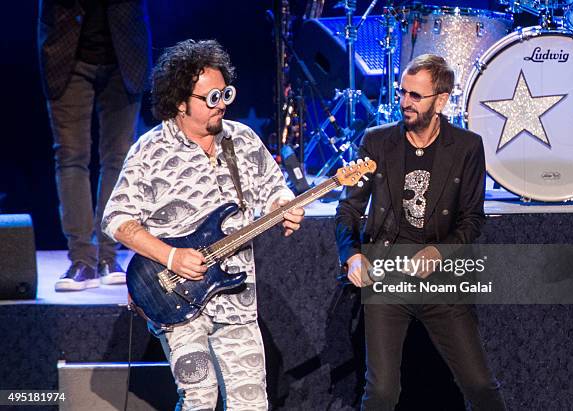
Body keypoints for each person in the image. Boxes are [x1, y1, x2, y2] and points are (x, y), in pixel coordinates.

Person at [102, 39, 304, 410]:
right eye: (211, 98)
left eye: (225, 93)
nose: (222, 104)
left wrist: (285, 207)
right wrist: (173, 257)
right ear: (181, 102)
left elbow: (275, 191)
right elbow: (116, 220)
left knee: (251, 403)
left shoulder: (242, 140)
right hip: (175, 297)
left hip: (236, 299)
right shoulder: (150, 151)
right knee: (200, 396)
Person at [335, 54, 506, 410]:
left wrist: (440, 252)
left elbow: (473, 218)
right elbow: (348, 209)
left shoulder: (467, 147)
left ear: (441, 100)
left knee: (480, 387)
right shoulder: (377, 142)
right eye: (402, 93)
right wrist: (351, 256)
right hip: (386, 279)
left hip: (441, 281)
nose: (404, 103)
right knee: (381, 392)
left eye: (415, 96)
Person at [38, 0, 152, 290]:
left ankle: (109, 255)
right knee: (71, 157)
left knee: (119, 157)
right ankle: (82, 260)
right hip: (67, 53)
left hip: (124, 54)